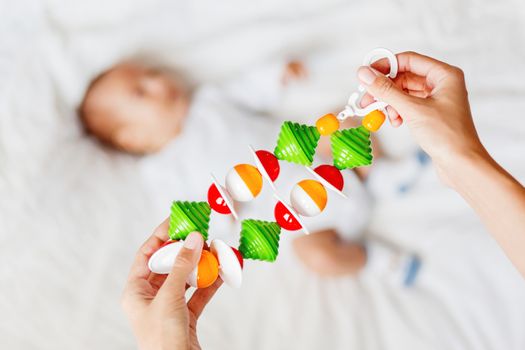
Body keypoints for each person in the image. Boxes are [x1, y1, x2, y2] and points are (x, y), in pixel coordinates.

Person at [122, 50, 525, 348]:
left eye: (152, 74)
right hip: (296, 223)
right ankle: (375, 260)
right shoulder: (159, 171)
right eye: (141, 92)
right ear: (131, 138)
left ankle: (380, 176)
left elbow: (248, 90)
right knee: (316, 258)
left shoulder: (209, 103)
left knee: (343, 118)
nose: (159, 83)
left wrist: (277, 75)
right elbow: (191, 221)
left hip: (314, 161)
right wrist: (224, 216)